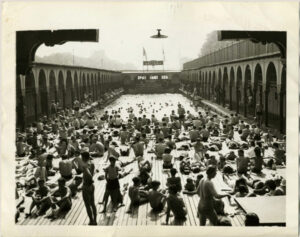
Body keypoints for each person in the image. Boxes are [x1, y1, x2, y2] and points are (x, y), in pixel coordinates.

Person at [81, 151, 97, 225]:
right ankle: (95, 220)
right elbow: (92, 173)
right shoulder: (92, 163)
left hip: (86, 186)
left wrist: (90, 178)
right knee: (93, 204)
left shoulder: (84, 165)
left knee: (87, 205)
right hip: (91, 186)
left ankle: (91, 220)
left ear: (84, 157)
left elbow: (89, 174)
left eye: (82, 157)